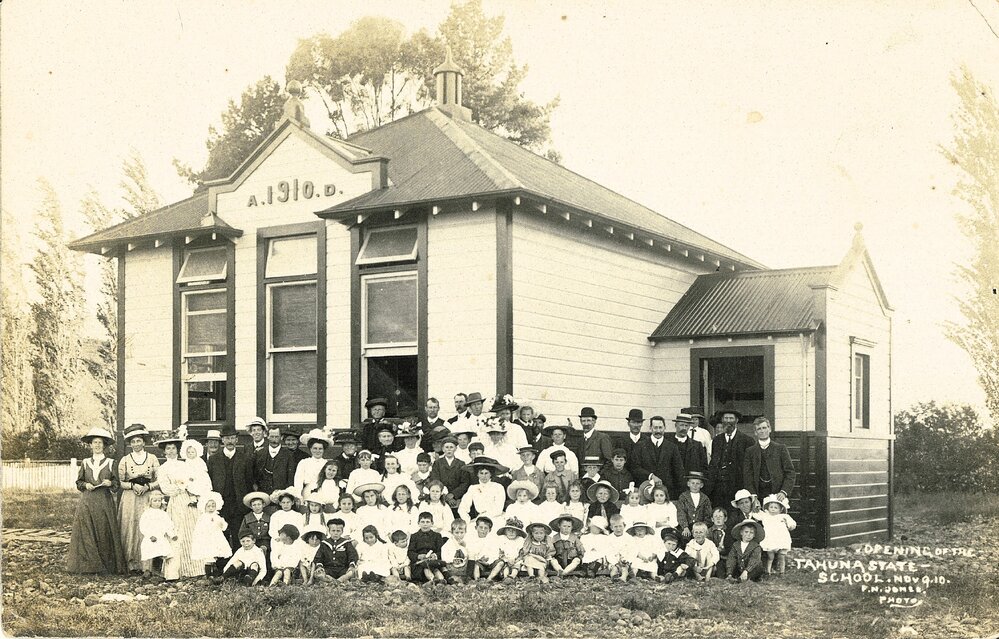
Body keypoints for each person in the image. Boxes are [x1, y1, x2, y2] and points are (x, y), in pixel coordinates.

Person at [67, 427, 129, 575]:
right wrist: (85, 485)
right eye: (95, 442)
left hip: (103, 501)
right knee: (87, 531)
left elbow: (116, 484)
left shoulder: (111, 462)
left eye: (100, 443)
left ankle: (105, 565)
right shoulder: (85, 462)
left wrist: (110, 483)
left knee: (103, 530)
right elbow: (79, 482)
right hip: (88, 501)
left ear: (104, 445)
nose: (97, 445)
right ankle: (88, 565)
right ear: (90, 445)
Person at [156, 435, 203, 579]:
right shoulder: (163, 468)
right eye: (168, 449)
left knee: (191, 531)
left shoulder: (185, 465)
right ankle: (175, 571)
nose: (171, 451)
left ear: (177, 450)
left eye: (173, 448)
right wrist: (180, 487)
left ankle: (194, 569)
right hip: (175, 501)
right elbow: (165, 488)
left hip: (188, 500)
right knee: (176, 533)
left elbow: (193, 481)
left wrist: (189, 489)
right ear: (164, 451)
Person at [116, 423, 160, 573]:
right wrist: (132, 486)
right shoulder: (125, 460)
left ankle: (146, 565)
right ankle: (131, 563)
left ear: (144, 442)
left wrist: (148, 487)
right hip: (130, 497)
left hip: (147, 497)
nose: (136, 444)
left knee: (147, 526)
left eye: (139, 441)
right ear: (130, 443)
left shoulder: (152, 458)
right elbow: (120, 482)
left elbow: (159, 479)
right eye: (133, 441)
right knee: (130, 526)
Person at [206, 425, 254, 549]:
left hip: (238, 505)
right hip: (220, 505)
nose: (230, 441)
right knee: (221, 536)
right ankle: (222, 561)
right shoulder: (213, 460)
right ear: (222, 440)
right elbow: (209, 482)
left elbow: (249, 482)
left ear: (237, 440)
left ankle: (239, 560)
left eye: (232, 438)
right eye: (227, 438)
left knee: (238, 535)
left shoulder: (245, 458)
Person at [630, 415, 685, 502]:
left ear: (664, 428)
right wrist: (651, 476)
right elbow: (635, 467)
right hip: (645, 493)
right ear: (650, 428)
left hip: (666, 493)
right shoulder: (640, 446)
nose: (658, 431)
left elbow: (678, 471)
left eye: (660, 427)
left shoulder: (672, 447)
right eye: (655, 428)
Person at [707, 409, 754, 510]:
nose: (728, 421)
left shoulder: (747, 440)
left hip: (737, 488)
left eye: (731, 418)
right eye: (726, 418)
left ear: (736, 420)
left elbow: (749, 468)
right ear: (722, 420)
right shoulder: (716, 440)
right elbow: (713, 464)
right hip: (718, 489)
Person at [742, 417, 796, 503]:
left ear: (769, 429)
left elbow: (790, 472)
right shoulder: (750, 451)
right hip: (758, 496)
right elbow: (747, 476)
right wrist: (753, 495)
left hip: (778, 495)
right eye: (759, 429)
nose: (762, 431)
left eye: (764, 428)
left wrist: (783, 492)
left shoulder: (780, 449)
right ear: (755, 432)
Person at [192, 491, 231, 584]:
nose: (211, 508)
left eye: (213, 506)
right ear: (204, 507)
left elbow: (224, 526)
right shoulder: (203, 517)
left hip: (216, 538)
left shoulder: (217, 516)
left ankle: (214, 574)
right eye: (209, 506)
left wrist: (222, 524)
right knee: (208, 557)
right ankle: (209, 575)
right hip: (207, 539)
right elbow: (199, 529)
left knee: (215, 555)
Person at [752, 494, 797, 575]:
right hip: (770, 539)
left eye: (775, 508)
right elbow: (756, 515)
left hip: (781, 539)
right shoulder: (765, 515)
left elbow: (792, 524)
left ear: (780, 509)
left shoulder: (783, 516)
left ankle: (782, 572)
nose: (773, 509)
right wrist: (756, 509)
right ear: (768, 508)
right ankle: (768, 571)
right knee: (770, 557)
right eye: (771, 507)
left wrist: (790, 526)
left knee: (781, 556)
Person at [138, 489, 177, 582]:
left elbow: (168, 525)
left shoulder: (163, 514)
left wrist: (172, 535)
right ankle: (147, 571)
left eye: (159, 501)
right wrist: (150, 535)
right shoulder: (147, 513)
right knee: (150, 554)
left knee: (160, 554)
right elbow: (143, 525)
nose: (157, 503)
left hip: (160, 538)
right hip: (151, 538)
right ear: (150, 502)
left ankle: (157, 573)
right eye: (154, 501)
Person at [253, 426, 296, 508]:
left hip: (281, 498)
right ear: (267, 436)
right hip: (263, 496)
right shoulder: (259, 453)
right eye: (272, 436)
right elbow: (255, 475)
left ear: (281, 437)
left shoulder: (288, 455)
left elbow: (290, 478)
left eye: (276, 437)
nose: (274, 440)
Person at [458, 457, 508, 523]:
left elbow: (498, 509)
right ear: (477, 474)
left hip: (496, 519)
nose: (484, 476)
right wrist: (467, 521)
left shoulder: (498, 487)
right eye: (481, 473)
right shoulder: (473, 488)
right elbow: (462, 507)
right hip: (479, 521)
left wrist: (480, 517)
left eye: (486, 473)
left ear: (491, 474)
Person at [429, 436, 469, 512]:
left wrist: (453, 494)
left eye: (451, 447)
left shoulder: (461, 464)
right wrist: (445, 495)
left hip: (457, 498)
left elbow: (465, 483)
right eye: (447, 447)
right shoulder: (437, 463)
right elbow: (435, 480)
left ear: (455, 449)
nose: (449, 450)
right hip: (440, 496)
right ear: (443, 449)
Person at [408, 512, 447, 583]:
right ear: (418, 523)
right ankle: (433, 580)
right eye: (422, 522)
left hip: (433, 562)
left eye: (427, 522)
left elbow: (442, 551)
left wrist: (435, 555)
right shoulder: (414, 536)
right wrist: (418, 556)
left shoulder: (437, 536)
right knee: (425, 566)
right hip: (420, 563)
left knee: (434, 567)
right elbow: (410, 552)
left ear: (432, 523)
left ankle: (441, 580)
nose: (425, 524)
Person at [293, 428, 333, 497]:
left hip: (324, 493)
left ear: (324, 450)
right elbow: (298, 481)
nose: (317, 451)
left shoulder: (327, 463)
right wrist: (298, 496)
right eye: (315, 448)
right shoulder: (304, 463)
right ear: (310, 449)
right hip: (308, 493)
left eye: (320, 449)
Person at [677, 471, 713, 541]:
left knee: (703, 538)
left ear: (701, 485)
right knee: (685, 537)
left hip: (701, 526)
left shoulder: (705, 498)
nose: (695, 486)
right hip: (687, 527)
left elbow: (708, 515)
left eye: (697, 483)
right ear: (688, 484)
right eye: (692, 483)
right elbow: (681, 512)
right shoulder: (683, 497)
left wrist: (702, 527)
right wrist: (685, 527)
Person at [238, 492, 271, 558]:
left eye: (259, 504)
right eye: (254, 505)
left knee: (263, 550)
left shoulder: (268, 517)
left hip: (265, 541)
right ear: (251, 506)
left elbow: (272, 530)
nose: (257, 507)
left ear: (263, 505)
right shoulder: (247, 518)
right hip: (251, 541)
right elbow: (242, 532)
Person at [467, 516, 500, 580]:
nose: (483, 530)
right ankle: (477, 580)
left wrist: (489, 560)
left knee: (500, 563)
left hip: (489, 562)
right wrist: (479, 559)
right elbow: (471, 553)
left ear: (490, 530)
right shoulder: (472, 540)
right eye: (481, 527)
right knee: (476, 564)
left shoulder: (492, 540)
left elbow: (495, 553)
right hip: (479, 562)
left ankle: (489, 579)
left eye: (486, 528)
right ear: (476, 527)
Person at [441, 518, 471, 583]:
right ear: (452, 532)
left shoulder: (466, 541)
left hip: (463, 567)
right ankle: (452, 578)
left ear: (465, 532)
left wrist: (465, 547)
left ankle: (466, 577)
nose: (459, 535)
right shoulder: (449, 543)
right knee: (444, 567)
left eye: (462, 532)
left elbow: (470, 554)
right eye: (456, 533)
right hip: (452, 566)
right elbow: (444, 555)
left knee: (472, 559)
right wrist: (452, 559)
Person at [604, 514, 631, 582]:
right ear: (611, 528)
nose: (618, 529)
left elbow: (632, 550)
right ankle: (614, 577)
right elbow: (608, 553)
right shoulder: (609, 538)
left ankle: (623, 578)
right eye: (615, 527)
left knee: (624, 569)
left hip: (625, 560)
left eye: (620, 526)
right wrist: (616, 563)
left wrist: (626, 560)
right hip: (614, 561)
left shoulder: (628, 537)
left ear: (624, 526)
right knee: (614, 569)